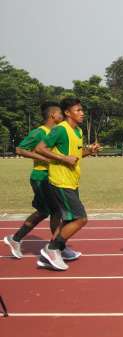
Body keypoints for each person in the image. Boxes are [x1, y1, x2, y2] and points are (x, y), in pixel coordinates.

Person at [33, 98, 101, 270]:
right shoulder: (60, 129)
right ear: (67, 113)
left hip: (72, 181)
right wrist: (63, 159)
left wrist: (89, 151)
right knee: (81, 219)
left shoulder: (77, 131)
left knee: (68, 219)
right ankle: (53, 249)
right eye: (78, 110)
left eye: (82, 110)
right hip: (60, 181)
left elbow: (74, 156)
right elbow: (40, 148)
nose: (82, 113)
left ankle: (54, 251)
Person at [3, 102, 63, 261]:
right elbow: (20, 149)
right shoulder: (39, 132)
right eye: (60, 114)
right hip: (40, 177)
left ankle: (15, 239)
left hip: (52, 177)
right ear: (53, 116)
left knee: (44, 211)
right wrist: (44, 158)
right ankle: (55, 247)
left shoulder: (57, 132)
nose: (63, 116)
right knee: (57, 212)